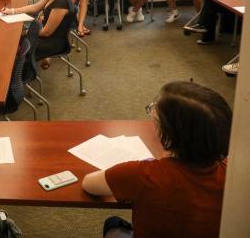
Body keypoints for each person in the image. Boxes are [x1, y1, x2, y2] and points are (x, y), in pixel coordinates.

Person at [82, 81, 232, 238]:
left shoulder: (142, 174)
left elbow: (89, 184)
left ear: (169, 133)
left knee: (112, 223)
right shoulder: (232, 175)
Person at [2, 0, 75, 70]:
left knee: (15, 47)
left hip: (53, 43)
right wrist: (11, 11)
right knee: (15, 41)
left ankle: (17, 77)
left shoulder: (62, 2)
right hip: (45, 34)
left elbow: (46, 32)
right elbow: (35, 7)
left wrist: (28, 31)